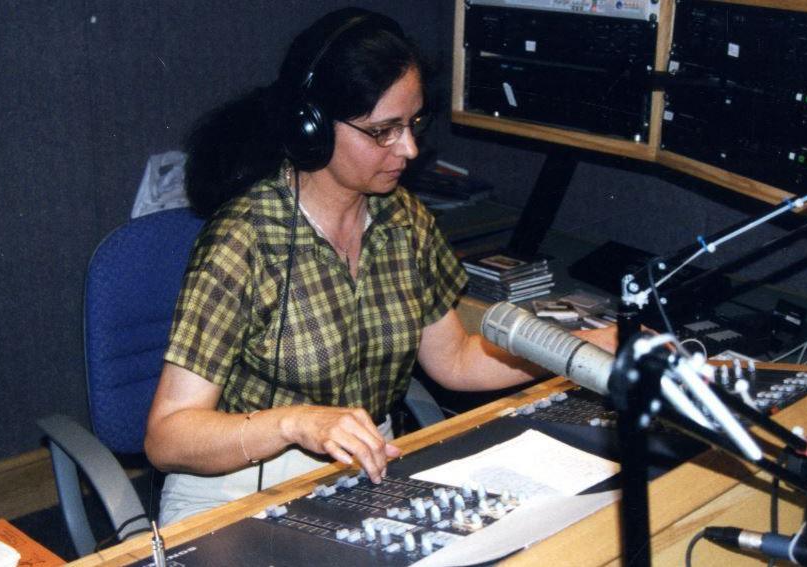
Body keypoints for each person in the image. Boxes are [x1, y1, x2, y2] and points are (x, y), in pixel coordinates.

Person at [144, 7, 616, 526]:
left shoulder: (404, 219)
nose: (409, 149)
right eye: (382, 131)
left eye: (413, 124)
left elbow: (455, 360)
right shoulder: (244, 239)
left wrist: (584, 351)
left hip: (365, 473)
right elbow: (168, 437)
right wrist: (295, 423)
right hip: (237, 489)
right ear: (313, 127)